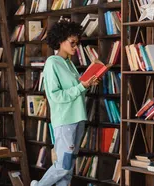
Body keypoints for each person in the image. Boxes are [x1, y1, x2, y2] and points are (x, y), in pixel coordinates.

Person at [30, 20, 100, 186]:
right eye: (72, 43)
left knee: (68, 169)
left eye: (77, 43)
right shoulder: (52, 63)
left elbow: (75, 93)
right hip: (65, 121)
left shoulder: (69, 63)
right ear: (60, 40)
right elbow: (56, 96)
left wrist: (86, 85)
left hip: (78, 118)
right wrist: (81, 86)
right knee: (63, 165)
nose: (76, 47)